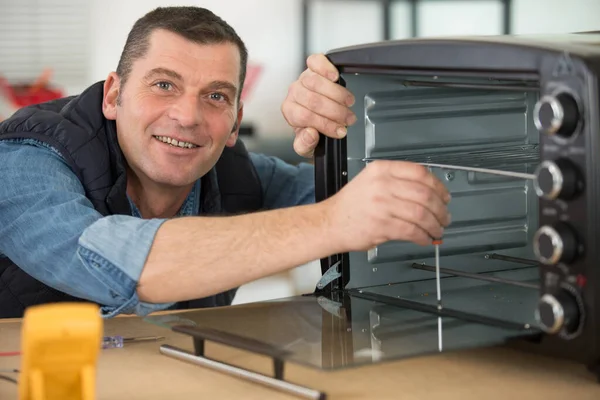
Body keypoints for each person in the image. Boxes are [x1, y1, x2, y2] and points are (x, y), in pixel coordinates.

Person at [0, 6, 451, 319]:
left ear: (236, 122)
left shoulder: (240, 174)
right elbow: (115, 263)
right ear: (114, 95)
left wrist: (343, 139)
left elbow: (403, 206)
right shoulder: (26, 160)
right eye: (164, 85)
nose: (188, 116)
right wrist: (331, 222)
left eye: (215, 96)